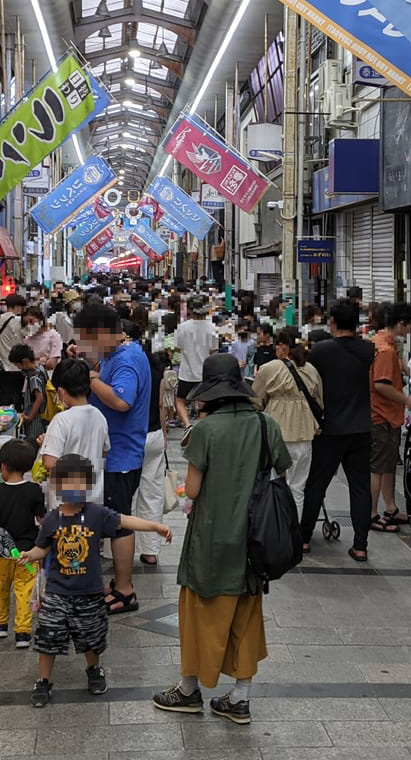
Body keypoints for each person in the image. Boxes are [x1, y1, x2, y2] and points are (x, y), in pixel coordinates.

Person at [151, 354, 291, 725]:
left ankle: (188, 690)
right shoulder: (266, 425)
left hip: (211, 539)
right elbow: (282, 469)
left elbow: (193, 488)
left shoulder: (206, 430)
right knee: (246, 615)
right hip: (254, 541)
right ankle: (240, 698)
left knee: (198, 614)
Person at [18, 454, 172, 708]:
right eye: (68, 483)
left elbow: (124, 520)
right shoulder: (52, 520)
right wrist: (29, 555)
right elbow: (42, 549)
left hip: (89, 592)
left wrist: (153, 526)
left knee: (91, 637)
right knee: (49, 637)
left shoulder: (96, 514)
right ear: (56, 486)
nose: (75, 489)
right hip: (57, 593)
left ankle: (93, 669)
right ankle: (43, 680)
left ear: (89, 486)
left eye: (81, 483)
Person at [75, 301, 152, 614]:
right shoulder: (114, 354)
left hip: (121, 456)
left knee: (119, 523)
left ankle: (125, 590)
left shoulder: (128, 359)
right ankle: (119, 583)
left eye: (89, 339)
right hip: (112, 453)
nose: (87, 346)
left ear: (106, 333)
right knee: (114, 520)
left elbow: (122, 401)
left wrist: (90, 379)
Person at [299, 301, 375, 562]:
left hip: (329, 428)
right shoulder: (368, 350)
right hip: (361, 428)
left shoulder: (321, 351)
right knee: (360, 488)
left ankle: (304, 539)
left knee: (316, 484)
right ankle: (361, 546)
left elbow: (309, 384)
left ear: (332, 321)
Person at [252, 327, 324, 513]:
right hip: (305, 434)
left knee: (274, 486)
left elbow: (255, 400)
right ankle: (295, 536)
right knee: (297, 489)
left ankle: (277, 533)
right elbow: (319, 402)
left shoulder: (269, 369)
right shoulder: (311, 370)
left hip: (276, 434)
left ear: (283, 347)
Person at [0, 440, 45, 645]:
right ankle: (23, 632)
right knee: (24, 589)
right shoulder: (34, 490)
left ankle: (0, 626)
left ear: (3, 467)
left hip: (0, 552)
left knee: (0, 587)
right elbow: (42, 518)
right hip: (26, 552)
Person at [369, 302, 411, 531]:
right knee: (378, 468)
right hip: (380, 415)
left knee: (388, 465)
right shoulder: (385, 350)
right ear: (401, 324)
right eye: (409, 326)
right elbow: (381, 385)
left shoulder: (382, 342)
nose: (410, 331)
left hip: (389, 416)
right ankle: (371, 514)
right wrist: (407, 400)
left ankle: (390, 508)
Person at [41, 358, 109, 509]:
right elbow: (104, 451)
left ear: (60, 391)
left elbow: (49, 462)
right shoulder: (99, 416)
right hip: (94, 500)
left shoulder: (61, 420)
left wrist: (45, 445)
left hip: (66, 505)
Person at [134, 347, 172, 566]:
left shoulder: (123, 367)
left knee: (125, 495)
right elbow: (160, 405)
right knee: (152, 493)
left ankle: (116, 549)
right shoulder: (157, 370)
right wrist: (164, 435)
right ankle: (150, 550)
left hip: (131, 437)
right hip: (154, 433)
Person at [175, 297, 218, 419]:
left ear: (189, 310)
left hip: (186, 372)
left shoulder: (183, 327)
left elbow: (179, 347)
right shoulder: (211, 327)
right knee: (204, 404)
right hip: (205, 372)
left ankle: (187, 425)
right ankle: (201, 425)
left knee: (180, 401)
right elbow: (214, 350)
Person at [9, 344, 48, 452]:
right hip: (43, 415)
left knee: (33, 443)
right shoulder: (40, 369)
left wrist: (30, 417)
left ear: (25, 361)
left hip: (36, 418)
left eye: (18, 365)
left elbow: (39, 398)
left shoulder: (34, 376)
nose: (19, 368)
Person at [0, 293, 29, 407]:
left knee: (4, 399)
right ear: (17, 307)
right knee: (17, 399)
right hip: (17, 367)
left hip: (2, 367)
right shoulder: (18, 322)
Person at [24, 304, 63, 370]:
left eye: (31, 321)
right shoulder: (27, 339)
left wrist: (34, 362)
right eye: (26, 323)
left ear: (40, 319)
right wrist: (40, 361)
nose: (29, 325)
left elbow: (51, 364)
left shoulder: (53, 336)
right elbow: (25, 363)